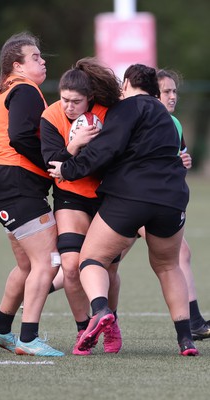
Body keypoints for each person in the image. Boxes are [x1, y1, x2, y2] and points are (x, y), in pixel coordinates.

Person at [48, 64, 199, 356]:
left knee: (91, 259)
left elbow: (106, 150)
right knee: (169, 266)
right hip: (172, 199)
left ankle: (101, 310)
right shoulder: (167, 119)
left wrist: (69, 168)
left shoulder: (127, 108)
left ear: (128, 82)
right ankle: (186, 340)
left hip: (131, 197)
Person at [0, 32, 64, 357]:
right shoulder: (25, 89)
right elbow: (19, 137)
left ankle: (1, 329)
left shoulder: (10, 90)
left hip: (6, 185)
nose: (42, 61)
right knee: (47, 262)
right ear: (17, 65)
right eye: (35, 57)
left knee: (29, 266)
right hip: (17, 184)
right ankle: (29, 338)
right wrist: (52, 164)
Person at [40, 57, 124, 355]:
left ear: (90, 98)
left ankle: (110, 323)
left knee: (106, 268)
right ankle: (84, 328)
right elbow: (51, 162)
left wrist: (95, 145)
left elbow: (116, 157)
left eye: (76, 101)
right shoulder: (51, 116)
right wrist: (75, 144)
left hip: (107, 196)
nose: (69, 107)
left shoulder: (108, 112)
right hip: (70, 195)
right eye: (64, 99)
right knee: (71, 267)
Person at [156, 69, 210, 341]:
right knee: (180, 254)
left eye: (175, 91)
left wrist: (183, 162)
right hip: (138, 201)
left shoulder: (174, 123)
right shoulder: (146, 122)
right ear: (153, 94)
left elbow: (178, 159)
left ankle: (195, 322)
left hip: (155, 201)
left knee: (99, 263)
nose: (172, 96)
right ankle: (195, 323)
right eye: (166, 91)